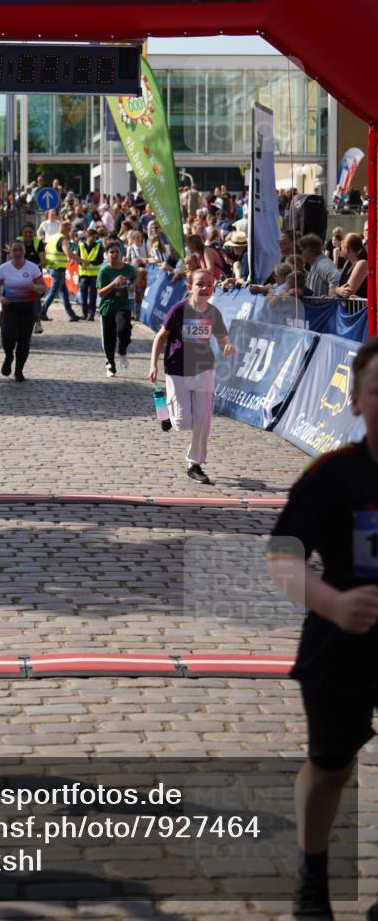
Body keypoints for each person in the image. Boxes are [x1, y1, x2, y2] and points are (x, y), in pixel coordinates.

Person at [267, 336, 378, 921]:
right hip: (342, 646)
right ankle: (313, 875)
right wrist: (332, 604)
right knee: (332, 765)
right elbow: (281, 554)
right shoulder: (334, 475)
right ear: (356, 401)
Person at [148, 269, 235, 484]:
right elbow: (160, 337)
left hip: (204, 368)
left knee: (203, 419)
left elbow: (222, 338)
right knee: (183, 422)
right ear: (190, 288)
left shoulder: (213, 312)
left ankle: (194, 463)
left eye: (208, 284)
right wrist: (153, 365)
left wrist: (227, 347)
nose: (204, 288)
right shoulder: (179, 310)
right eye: (200, 284)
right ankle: (163, 411)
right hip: (177, 368)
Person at [0, 240, 46, 382]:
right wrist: (0, 298)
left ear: (24, 252)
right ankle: (9, 357)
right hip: (9, 308)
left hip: (27, 308)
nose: (18, 253)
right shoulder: (4, 268)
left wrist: (35, 287)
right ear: (10, 252)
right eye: (15, 250)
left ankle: (19, 371)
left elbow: (43, 287)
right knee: (8, 337)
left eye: (20, 250)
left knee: (24, 341)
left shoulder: (32, 268)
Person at [96, 241, 137, 377]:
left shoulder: (128, 269)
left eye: (117, 252)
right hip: (108, 307)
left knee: (124, 330)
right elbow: (100, 293)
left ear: (121, 254)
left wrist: (132, 286)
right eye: (111, 252)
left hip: (123, 305)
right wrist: (113, 283)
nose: (114, 254)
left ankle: (122, 351)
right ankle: (110, 365)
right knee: (109, 338)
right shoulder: (104, 271)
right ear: (107, 255)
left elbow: (135, 278)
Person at [41, 221, 80, 322]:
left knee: (64, 293)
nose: (70, 232)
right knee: (53, 292)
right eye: (69, 230)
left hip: (53, 268)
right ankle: (42, 311)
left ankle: (71, 314)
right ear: (66, 229)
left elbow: (45, 249)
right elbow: (69, 253)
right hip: (58, 270)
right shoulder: (63, 239)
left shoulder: (52, 237)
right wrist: (81, 260)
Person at [17, 223, 45, 333]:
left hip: (34, 276)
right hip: (19, 275)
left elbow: (42, 260)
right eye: (25, 232)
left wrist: (33, 268)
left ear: (34, 233)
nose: (28, 234)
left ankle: (38, 322)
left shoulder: (38, 243)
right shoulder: (18, 242)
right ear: (22, 233)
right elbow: (11, 257)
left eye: (30, 232)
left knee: (36, 298)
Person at [77, 227, 104, 322]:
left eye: (95, 237)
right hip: (83, 274)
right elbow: (77, 259)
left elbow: (100, 260)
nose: (93, 239)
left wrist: (91, 262)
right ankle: (84, 314)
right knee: (83, 295)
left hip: (94, 275)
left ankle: (91, 314)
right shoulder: (80, 245)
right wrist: (82, 262)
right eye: (92, 237)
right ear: (87, 236)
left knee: (92, 296)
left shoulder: (98, 246)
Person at [331, 233, 368, 300]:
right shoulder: (348, 263)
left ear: (347, 249)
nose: (340, 251)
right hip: (347, 308)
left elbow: (347, 292)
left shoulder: (362, 263)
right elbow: (338, 289)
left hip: (358, 309)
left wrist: (335, 290)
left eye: (341, 248)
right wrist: (337, 290)